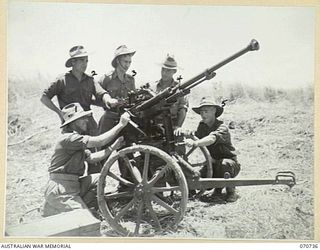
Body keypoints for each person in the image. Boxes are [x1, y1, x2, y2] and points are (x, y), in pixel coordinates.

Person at [42, 102, 130, 217]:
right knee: (84, 222)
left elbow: (92, 158)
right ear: (73, 122)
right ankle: (66, 209)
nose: (86, 121)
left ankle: (84, 208)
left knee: (98, 178)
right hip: (61, 189)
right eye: (82, 118)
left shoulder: (76, 141)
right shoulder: (69, 139)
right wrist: (121, 124)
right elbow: (99, 141)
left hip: (74, 184)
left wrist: (113, 147)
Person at [41, 45, 110, 174]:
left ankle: (93, 187)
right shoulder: (62, 80)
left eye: (87, 60)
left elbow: (101, 93)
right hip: (71, 125)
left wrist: (108, 100)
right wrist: (59, 113)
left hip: (89, 123)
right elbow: (44, 97)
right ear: (73, 62)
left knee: (95, 158)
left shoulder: (90, 80)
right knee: (74, 158)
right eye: (82, 60)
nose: (85, 64)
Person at [184, 97, 241, 202]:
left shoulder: (222, 127)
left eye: (206, 111)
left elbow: (211, 138)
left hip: (230, 164)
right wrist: (188, 134)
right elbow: (196, 136)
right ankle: (217, 190)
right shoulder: (202, 126)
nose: (203, 115)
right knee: (197, 178)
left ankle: (231, 191)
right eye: (201, 112)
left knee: (224, 165)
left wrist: (195, 143)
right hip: (212, 164)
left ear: (214, 111)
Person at [97, 45, 136, 135]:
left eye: (129, 62)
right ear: (118, 61)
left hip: (127, 117)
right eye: (125, 62)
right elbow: (97, 96)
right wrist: (109, 103)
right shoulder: (106, 79)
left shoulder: (131, 80)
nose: (128, 65)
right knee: (102, 141)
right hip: (110, 117)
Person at [153, 54, 188, 136]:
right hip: (154, 126)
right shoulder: (153, 87)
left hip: (172, 125)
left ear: (174, 72)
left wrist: (178, 126)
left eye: (168, 71)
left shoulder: (179, 89)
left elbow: (182, 108)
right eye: (163, 70)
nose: (164, 73)